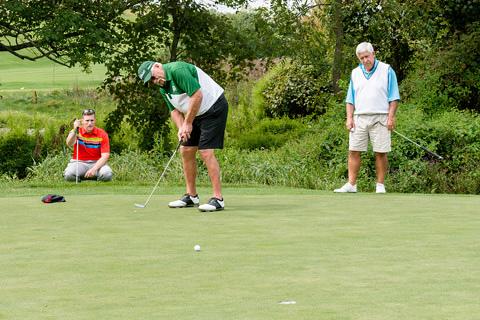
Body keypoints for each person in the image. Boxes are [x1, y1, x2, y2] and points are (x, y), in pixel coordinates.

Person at [137, 60, 228, 212]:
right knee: (185, 150)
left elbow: (197, 95)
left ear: (158, 66)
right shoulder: (163, 88)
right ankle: (191, 196)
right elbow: (174, 111)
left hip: (213, 108)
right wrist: (181, 128)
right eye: (151, 81)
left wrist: (188, 123)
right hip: (196, 112)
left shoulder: (177, 70)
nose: (155, 81)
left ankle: (218, 199)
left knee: (205, 151)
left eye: (153, 77)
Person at [334, 42, 400, 194]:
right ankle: (351, 184)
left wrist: (391, 117)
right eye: (361, 58)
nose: (365, 60)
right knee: (354, 150)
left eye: (367, 56)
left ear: (373, 54)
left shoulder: (387, 70)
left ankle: (380, 185)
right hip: (359, 118)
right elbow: (350, 99)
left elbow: (394, 97)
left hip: (381, 117)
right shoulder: (355, 73)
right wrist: (349, 118)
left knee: (381, 152)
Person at [64, 109, 113, 182]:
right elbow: (69, 143)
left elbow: (105, 156)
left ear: (95, 120)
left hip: (97, 163)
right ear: (82, 121)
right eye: (87, 121)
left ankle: (96, 181)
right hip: (79, 162)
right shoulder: (76, 131)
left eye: (92, 120)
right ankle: (82, 180)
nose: (90, 123)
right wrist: (74, 129)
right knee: (68, 175)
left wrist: (94, 169)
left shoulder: (102, 134)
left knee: (107, 174)